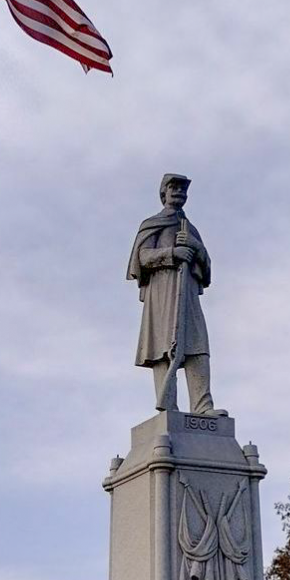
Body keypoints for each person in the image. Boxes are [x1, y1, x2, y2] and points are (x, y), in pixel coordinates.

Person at [127, 173, 226, 416]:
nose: (179, 192)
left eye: (183, 189)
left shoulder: (190, 229)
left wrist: (195, 246)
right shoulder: (151, 224)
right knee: (162, 346)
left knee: (197, 345)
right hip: (162, 292)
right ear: (164, 192)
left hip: (187, 294)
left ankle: (203, 407)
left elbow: (207, 269)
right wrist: (173, 252)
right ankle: (168, 407)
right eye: (174, 188)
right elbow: (141, 259)